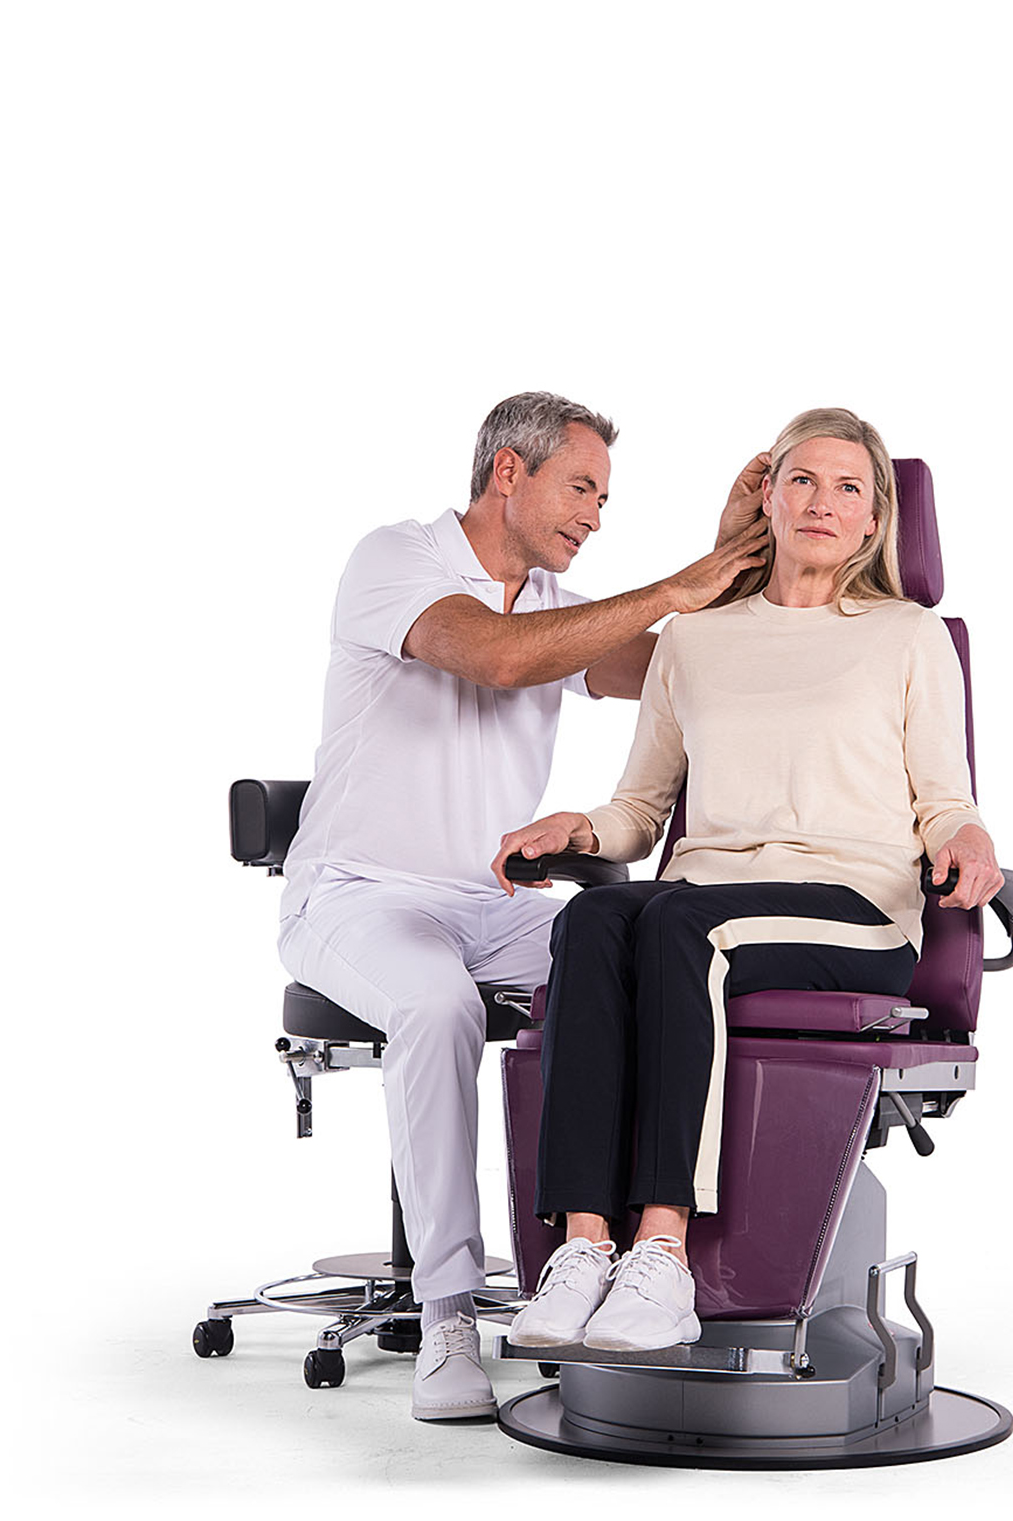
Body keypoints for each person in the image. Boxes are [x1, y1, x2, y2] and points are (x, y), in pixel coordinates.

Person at [277, 391, 767, 1418]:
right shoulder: (395, 560)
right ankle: (448, 1312)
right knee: (436, 1005)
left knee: (648, 960)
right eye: (581, 488)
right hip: (357, 896)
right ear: (509, 471)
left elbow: (675, 670)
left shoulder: (553, 604)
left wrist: (737, 563)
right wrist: (674, 584)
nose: (596, 515)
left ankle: (622, 1259)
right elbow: (501, 657)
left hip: (492, 902)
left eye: (604, 498)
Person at [491, 407, 1005, 1354]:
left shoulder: (908, 636)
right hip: (709, 896)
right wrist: (582, 828)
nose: (822, 502)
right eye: (801, 479)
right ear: (766, 498)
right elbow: (641, 808)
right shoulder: (695, 638)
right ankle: (583, 1247)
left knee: (683, 928)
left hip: (854, 906)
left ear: (875, 519)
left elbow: (944, 799)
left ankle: (663, 1254)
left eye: (848, 487)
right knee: (594, 922)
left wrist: (969, 838)